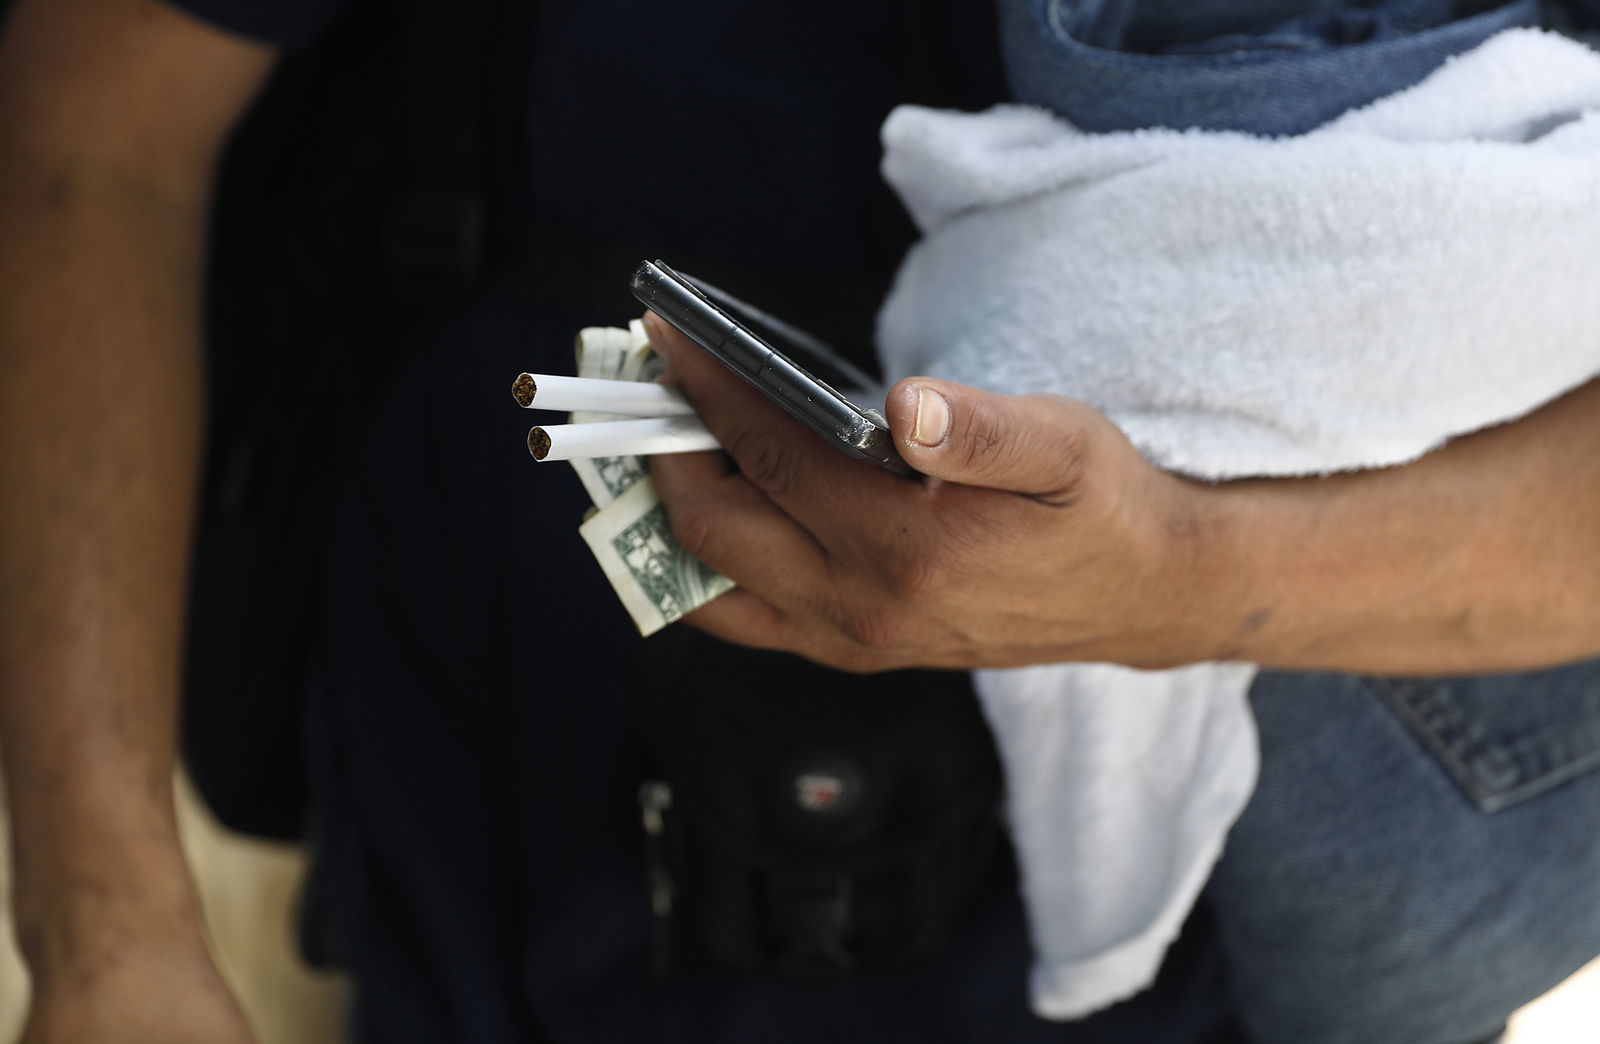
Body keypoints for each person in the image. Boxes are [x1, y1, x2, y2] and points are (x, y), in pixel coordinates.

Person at [2, 2, 1598, 1043]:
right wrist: (108, 938)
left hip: (1214, 920)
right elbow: (93, 143)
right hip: (508, 812)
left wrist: (1200, 573)